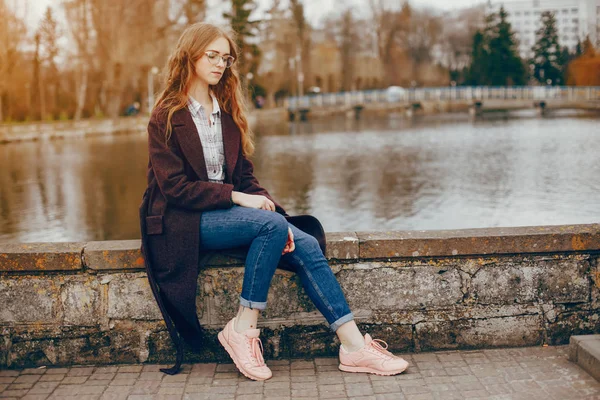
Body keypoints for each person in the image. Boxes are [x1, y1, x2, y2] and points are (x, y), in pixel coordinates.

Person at [139, 22, 409, 380]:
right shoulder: (166, 115)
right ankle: (242, 328)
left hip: (223, 213)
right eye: (212, 56)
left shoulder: (226, 112)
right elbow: (174, 188)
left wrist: (266, 205)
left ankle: (354, 347)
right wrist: (236, 197)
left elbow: (246, 177)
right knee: (272, 226)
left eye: (227, 58)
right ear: (190, 56)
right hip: (181, 220)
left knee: (307, 243)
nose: (221, 64)